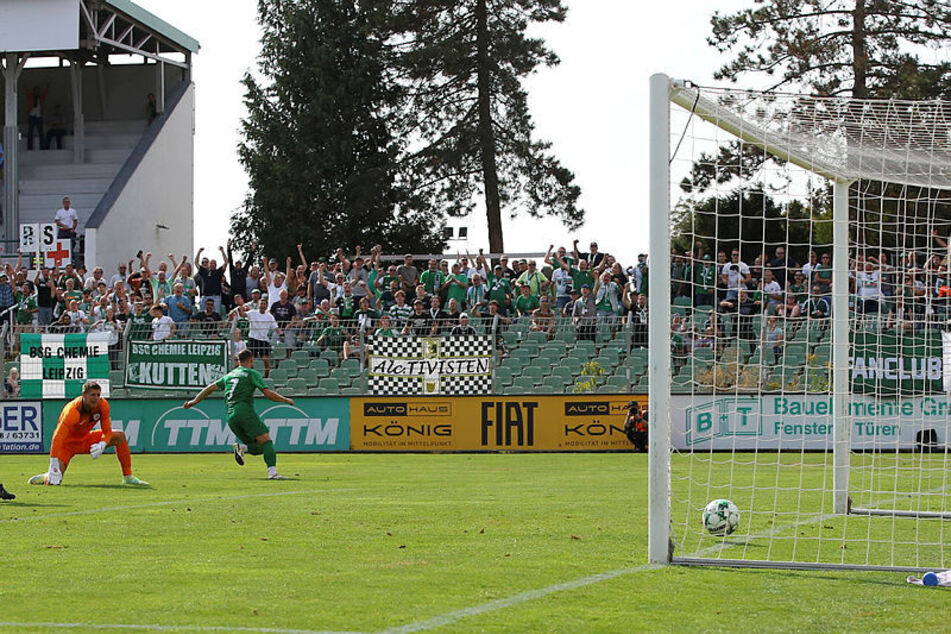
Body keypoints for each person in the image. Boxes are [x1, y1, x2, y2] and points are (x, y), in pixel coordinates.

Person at [183, 349, 293, 480]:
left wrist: (194, 401)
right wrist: (285, 400)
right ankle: (272, 473)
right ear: (251, 360)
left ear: (238, 361)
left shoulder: (229, 376)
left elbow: (209, 388)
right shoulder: (251, 373)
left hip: (231, 416)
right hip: (244, 411)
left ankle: (242, 448)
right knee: (267, 442)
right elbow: (268, 394)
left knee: (258, 447)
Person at [29, 381, 148, 486]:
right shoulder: (72, 411)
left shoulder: (103, 405)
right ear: (84, 395)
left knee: (120, 436)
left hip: (86, 439)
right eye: (92, 395)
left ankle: (128, 477)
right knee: (55, 481)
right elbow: (58, 437)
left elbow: (107, 430)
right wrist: (53, 464)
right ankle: (45, 477)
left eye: (98, 395)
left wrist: (102, 444)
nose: (96, 398)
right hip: (67, 445)